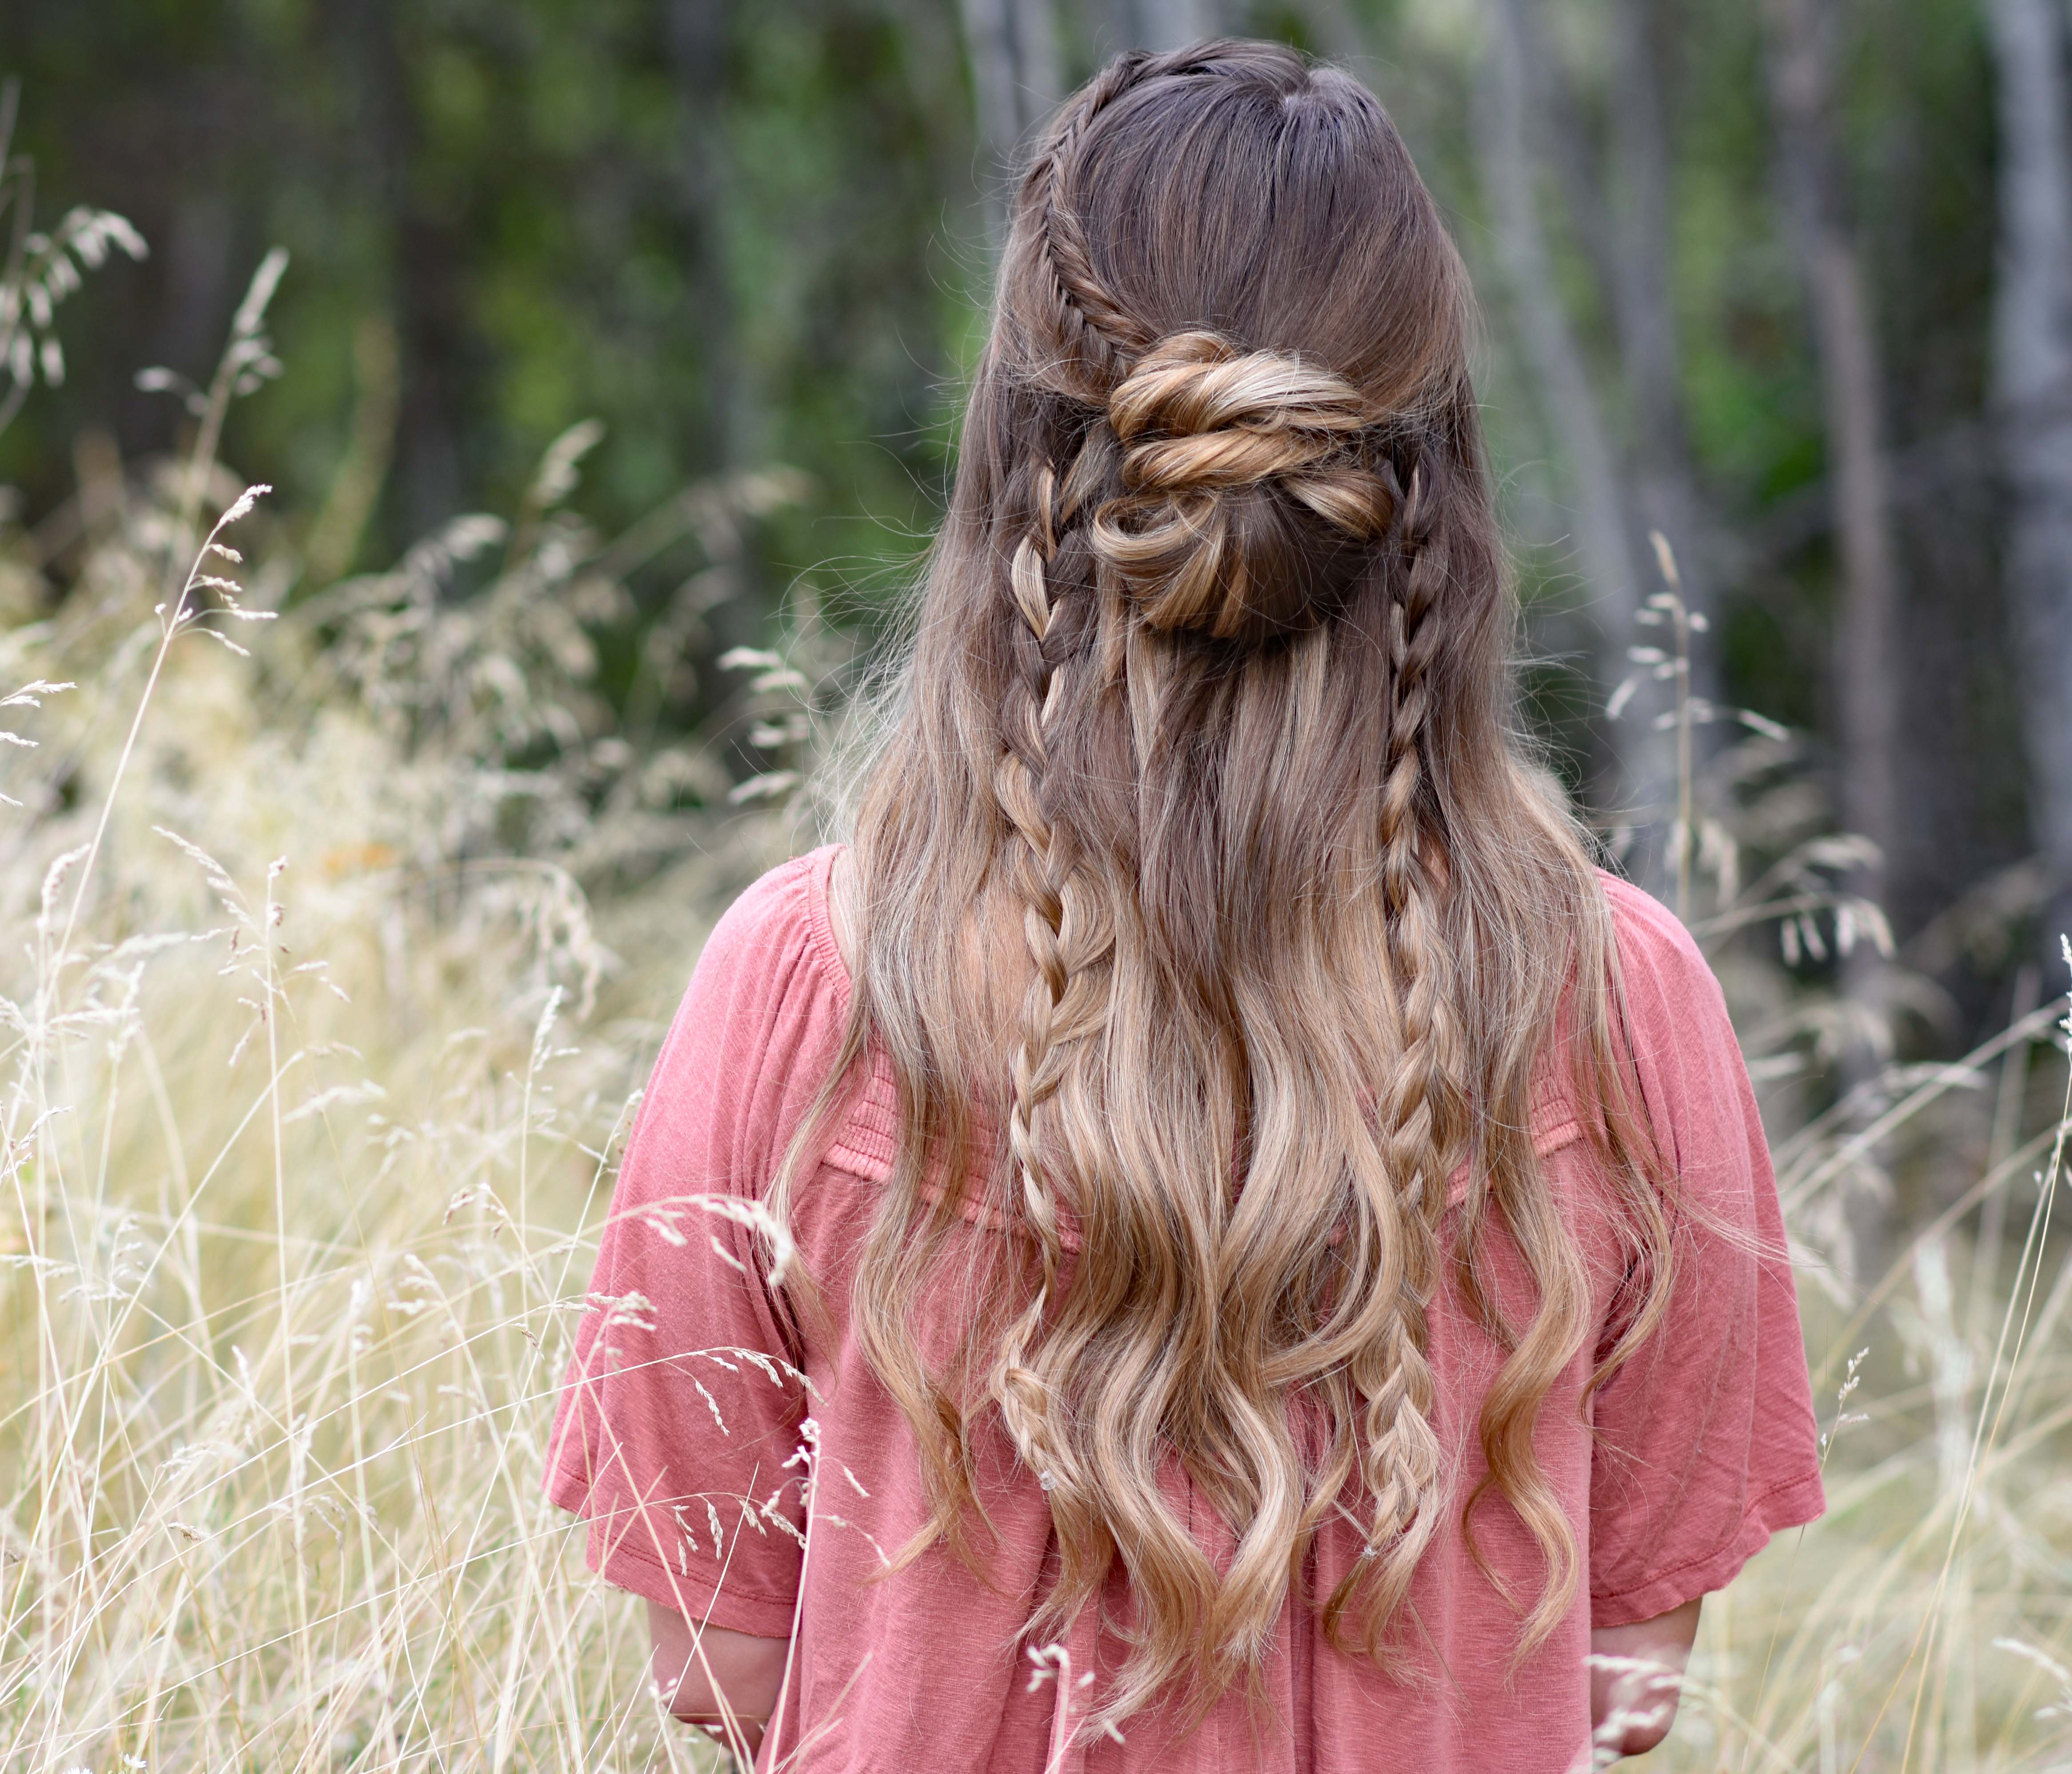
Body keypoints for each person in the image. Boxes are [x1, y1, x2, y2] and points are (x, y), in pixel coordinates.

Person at [544, 39, 1822, 1773]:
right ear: (1427, 476)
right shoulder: (1614, 1003)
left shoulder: (811, 982)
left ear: (1020, 461)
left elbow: (722, 1658)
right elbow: (1632, 1674)